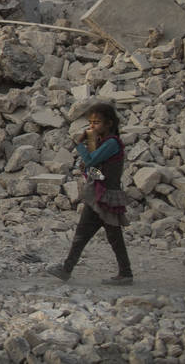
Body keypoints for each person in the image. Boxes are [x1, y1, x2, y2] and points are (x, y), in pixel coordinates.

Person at [46, 102, 133, 285]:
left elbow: (91, 161)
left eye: (97, 123)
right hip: (98, 194)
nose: (92, 126)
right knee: (83, 234)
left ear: (109, 123)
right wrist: (89, 161)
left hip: (107, 197)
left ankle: (125, 274)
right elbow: (92, 170)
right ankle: (66, 269)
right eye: (91, 122)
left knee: (112, 236)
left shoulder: (111, 143)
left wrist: (80, 145)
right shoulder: (103, 142)